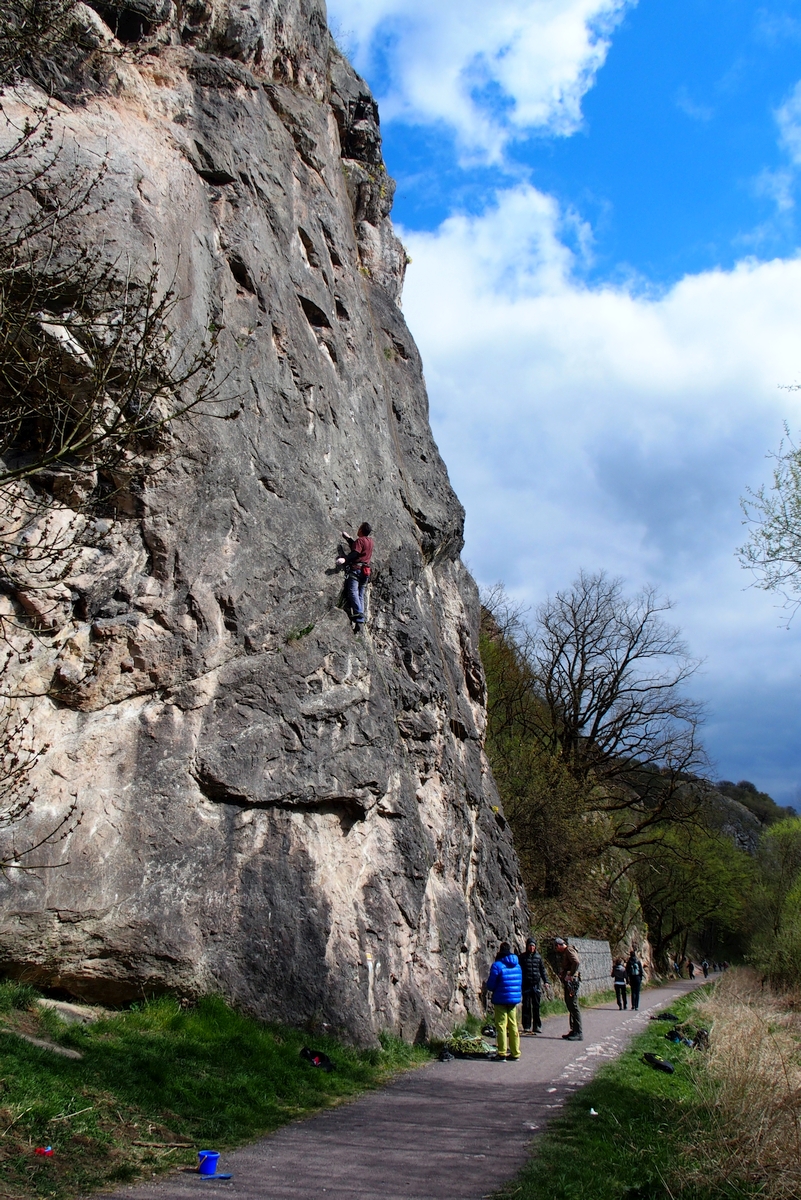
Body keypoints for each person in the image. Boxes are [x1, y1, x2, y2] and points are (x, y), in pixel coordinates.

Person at [483, 941, 522, 1061]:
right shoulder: (517, 965)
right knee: (513, 1025)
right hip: (513, 1000)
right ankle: (515, 1053)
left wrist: (489, 987)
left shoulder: (497, 965)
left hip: (500, 999)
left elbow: (491, 984)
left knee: (501, 1026)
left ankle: (502, 1053)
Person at [337, 522, 373, 632]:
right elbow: (359, 548)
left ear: (361, 530)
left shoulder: (360, 541)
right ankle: (360, 619)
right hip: (365, 571)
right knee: (360, 594)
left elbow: (355, 553)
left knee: (353, 591)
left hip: (357, 569)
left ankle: (359, 616)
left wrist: (345, 559)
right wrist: (348, 539)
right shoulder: (370, 541)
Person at [554, 937, 582, 1041]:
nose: (557, 950)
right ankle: (574, 1030)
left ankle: (578, 1031)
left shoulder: (569, 950)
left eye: (557, 948)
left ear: (559, 945)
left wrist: (571, 974)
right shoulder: (567, 951)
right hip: (570, 981)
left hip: (572, 982)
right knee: (570, 1005)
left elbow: (576, 962)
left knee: (573, 1006)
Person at [520, 936, 549, 1035]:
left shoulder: (538, 957)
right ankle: (526, 1026)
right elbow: (519, 971)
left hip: (536, 985)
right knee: (526, 1006)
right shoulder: (522, 957)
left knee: (536, 1006)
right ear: (527, 946)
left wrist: (546, 981)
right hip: (526, 985)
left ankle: (537, 1026)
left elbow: (542, 970)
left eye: (533, 946)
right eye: (530, 946)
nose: (532, 948)